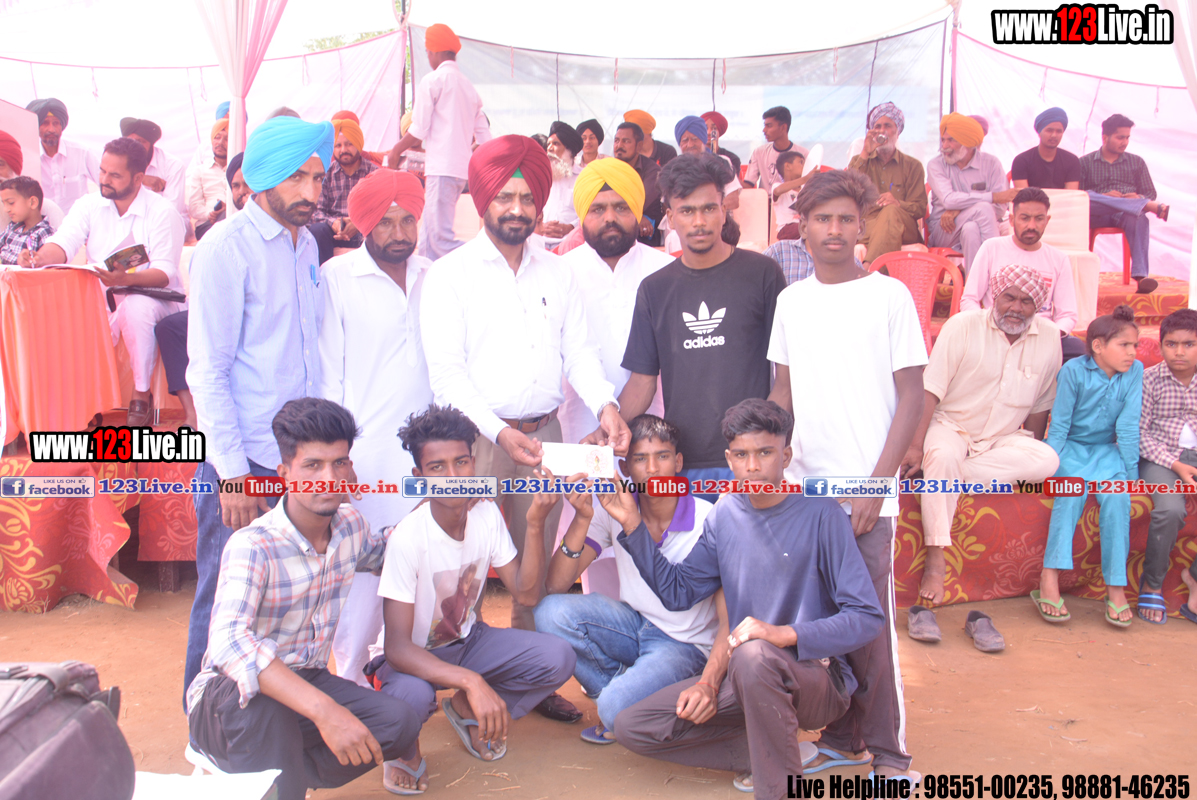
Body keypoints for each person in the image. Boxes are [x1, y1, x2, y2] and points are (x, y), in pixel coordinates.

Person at [418, 137, 629, 726]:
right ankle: (452, 681)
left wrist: (607, 405)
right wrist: (497, 433)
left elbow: (578, 353)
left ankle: (529, 681)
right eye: (505, 197)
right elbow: (446, 374)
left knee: (531, 561)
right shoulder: (450, 274)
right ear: (483, 200)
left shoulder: (558, 271)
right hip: (472, 444)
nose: (517, 208)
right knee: (460, 564)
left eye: (528, 198)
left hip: (543, 438)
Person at [611, 399, 885, 797]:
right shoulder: (724, 516)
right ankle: (770, 748)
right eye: (741, 455)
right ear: (729, 459)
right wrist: (633, 525)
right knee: (634, 725)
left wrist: (784, 634)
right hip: (746, 677)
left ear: (785, 456)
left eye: (765, 453)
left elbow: (866, 617)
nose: (752, 466)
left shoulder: (821, 514)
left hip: (817, 680)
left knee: (754, 653)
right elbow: (678, 592)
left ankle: (778, 787)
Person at [766, 168, 925, 779]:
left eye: (845, 219)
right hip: (805, 493)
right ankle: (842, 735)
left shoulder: (889, 296)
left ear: (862, 227)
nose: (834, 230)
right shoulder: (791, 301)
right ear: (802, 228)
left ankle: (890, 754)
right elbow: (782, 393)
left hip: (866, 495)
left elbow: (911, 397)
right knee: (822, 623)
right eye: (821, 219)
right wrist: (766, 464)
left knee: (871, 628)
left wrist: (876, 487)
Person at [185, 398, 422, 800]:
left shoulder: (350, 527)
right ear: (285, 473)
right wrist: (325, 711)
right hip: (231, 698)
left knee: (399, 722)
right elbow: (228, 643)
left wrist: (442, 501)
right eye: (312, 465)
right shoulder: (253, 544)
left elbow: (387, 551)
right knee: (267, 711)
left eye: (339, 463)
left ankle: (283, 776)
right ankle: (279, 782)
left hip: (306, 681)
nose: (328, 478)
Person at [183, 115, 335, 699]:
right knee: (225, 600)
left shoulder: (306, 244)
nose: (311, 192)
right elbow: (208, 371)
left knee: (285, 598)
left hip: (296, 462)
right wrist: (232, 475)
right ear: (263, 176)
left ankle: (265, 724)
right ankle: (205, 719)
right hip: (243, 460)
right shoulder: (226, 248)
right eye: (297, 177)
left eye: (317, 178)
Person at [370, 404, 576, 789]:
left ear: (475, 465)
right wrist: (472, 680)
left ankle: (466, 709)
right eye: (437, 467)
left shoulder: (486, 515)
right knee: (411, 700)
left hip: (467, 641)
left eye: (461, 462)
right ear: (419, 477)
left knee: (558, 657)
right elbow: (397, 647)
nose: (453, 477)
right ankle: (405, 750)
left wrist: (534, 525)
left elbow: (526, 594)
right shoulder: (408, 537)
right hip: (410, 657)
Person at [536, 414, 719, 743]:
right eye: (640, 459)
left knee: (613, 708)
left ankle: (625, 699)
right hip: (635, 625)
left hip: (685, 645)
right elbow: (556, 585)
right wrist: (582, 517)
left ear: (678, 462)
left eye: (662, 456)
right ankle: (625, 691)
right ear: (625, 467)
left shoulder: (708, 518)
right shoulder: (615, 508)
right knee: (550, 612)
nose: (652, 469)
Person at [319, 168, 434, 688]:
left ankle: (408, 684)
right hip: (364, 458)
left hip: (427, 458)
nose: (399, 232)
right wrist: (337, 459)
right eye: (385, 221)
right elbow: (328, 375)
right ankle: (350, 682)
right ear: (364, 223)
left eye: (408, 219)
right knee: (362, 578)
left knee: (421, 572)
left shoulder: (435, 276)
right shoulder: (337, 278)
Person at [616, 154, 786, 501]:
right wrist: (611, 428)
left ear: (724, 210)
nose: (699, 222)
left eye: (709, 208)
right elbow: (642, 382)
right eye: (687, 211)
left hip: (749, 463)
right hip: (682, 464)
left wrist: (765, 447)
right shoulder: (655, 289)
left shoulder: (762, 274)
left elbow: (787, 377)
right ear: (670, 217)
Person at [901, 266, 1062, 612]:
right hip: (951, 425)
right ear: (994, 297)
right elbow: (931, 390)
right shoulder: (961, 326)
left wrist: (1026, 452)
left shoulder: (1050, 337)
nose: (1016, 308)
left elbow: (1040, 406)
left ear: (1038, 306)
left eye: (1027, 301)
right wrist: (915, 446)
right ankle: (936, 560)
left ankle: (942, 479)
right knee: (943, 455)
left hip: (1002, 438)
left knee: (1047, 459)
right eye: (1009, 298)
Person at [20, 137, 184, 427]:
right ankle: (84, 402)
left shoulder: (162, 211)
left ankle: (141, 394)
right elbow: (64, 242)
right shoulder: (90, 204)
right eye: (102, 171)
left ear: (138, 178)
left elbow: (164, 272)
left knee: (136, 306)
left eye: (114, 175)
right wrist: (38, 257)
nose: (104, 180)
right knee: (62, 310)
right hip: (102, 297)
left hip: (155, 298)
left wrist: (125, 279)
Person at [1036, 306, 1141, 627]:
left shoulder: (1135, 371)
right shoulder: (1073, 371)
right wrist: (1047, 467)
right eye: (1124, 345)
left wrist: (1132, 476)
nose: (1132, 353)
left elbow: (1128, 426)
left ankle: (1116, 587)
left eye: (1135, 345)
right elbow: (1060, 425)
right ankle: (1049, 577)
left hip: (1106, 452)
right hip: (1070, 449)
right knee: (1070, 494)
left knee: (1118, 499)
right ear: (1098, 346)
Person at [558, 158, 672, 448]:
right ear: (582, 216)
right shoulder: (559, 273)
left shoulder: (666, 270)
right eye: (597, 209)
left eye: (621, 207)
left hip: (655, 429)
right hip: (579, 426)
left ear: (636, 212)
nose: (610, 217)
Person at [154, 153, 252, 433]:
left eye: (247, 184)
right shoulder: (221, 230)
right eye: (236, 186)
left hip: (251, 313)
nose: (242, 192)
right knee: (169, 327)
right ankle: (192, 414)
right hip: (218, 309)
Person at [388, 23, 493, 260]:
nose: (428, 58)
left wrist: (396, 150)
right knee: (427, 238)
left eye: (427, 53)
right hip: (460, 172)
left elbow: (419, 130)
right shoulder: (469, 88)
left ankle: (483, 259)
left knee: (438, 238)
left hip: (442, 169)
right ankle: (428, 277)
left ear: (434, 51)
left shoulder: (433, 81)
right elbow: (485, 138)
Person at [961, 188, 1083, 359]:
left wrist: (1051, 335)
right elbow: (969, 299)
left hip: (1039, 335)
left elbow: (1067, 314)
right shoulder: (991, 248)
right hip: (996, 330)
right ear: (1012, 220)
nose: (1031, 226)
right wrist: (987, 328)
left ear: (1047, 220)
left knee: (1079, 350)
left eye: (1039, 219)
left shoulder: (1059, 259)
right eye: (1025, 218)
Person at [1136, 308, 1197, 625]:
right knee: (1170, 510)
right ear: (1161, 346)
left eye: (1189, 344)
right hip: (1160, 457)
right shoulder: (1149, 380)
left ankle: (1194, 577)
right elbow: (1138, 434)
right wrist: (1175, 464)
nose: (1179, 352)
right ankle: (1153, 583)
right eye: (1171, 344)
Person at [1080, 113, 1167, 295]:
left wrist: (1137, 197)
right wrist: (1104, 196)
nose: (1125, 142)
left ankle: (1141, 278)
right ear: (1105, 137)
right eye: (1120, 137)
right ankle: (1142, 206)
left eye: (1127, 137)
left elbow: (1150, 193)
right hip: (1096, 214)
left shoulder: (1136, 162)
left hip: (1125, 215)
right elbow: (1077, 197)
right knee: (1087, 196)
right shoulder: (1085, 163)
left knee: (1138, 217)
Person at [927, 112, 1017, 273]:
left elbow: (999, 209)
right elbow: (948, 200)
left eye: (951, 140)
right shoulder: (936, 164)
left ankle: (972, 283)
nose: (944, 146)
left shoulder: (991, 164)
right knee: (983, 208)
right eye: (943, 140)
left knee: (971, 229)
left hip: (979, 228)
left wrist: (958, 210)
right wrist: (992, 197)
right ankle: (997, 274)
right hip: (945, 229)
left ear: (967, 143)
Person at [848, 102, 927, 264]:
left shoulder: (913, 166)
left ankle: (869, 269)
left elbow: (919, 208)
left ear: (897, 132)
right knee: (875, 225)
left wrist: (897, 203)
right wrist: (865, 152)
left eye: (887, 126)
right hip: (869, 225)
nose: (882, 131)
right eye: (877, 126)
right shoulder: (860, 160)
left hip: (903, 227)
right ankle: (872, 270)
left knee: (890, 211)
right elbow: (848, 191)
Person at [308, 116, 379, 264]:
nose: (344, 150)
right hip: (333, 231)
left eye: (349, 144)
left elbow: (380, 209)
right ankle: (323, 275)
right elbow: (316, 211)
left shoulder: (374, 173)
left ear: (358, 144)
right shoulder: (326, 173)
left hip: (363, 229)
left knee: (377, 231)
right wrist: (334, 223)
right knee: (317, 230)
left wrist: (357, 224)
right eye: (338, 145)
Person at [26, 98, 99, 213]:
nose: (51, 129)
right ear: (36, 126)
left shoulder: (82, 153)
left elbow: (107, 185)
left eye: (56, 123)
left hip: (79, 222)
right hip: (44, 222)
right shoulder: (28, 159)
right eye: (45, 123)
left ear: (62, 125)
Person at [120, 117, 189, 229]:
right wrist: (141, 179)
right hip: (131, 221)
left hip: (168, 223)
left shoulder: (173, 165)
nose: (133, 146)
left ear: (151, 143)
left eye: (139, 141)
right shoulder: (120, 162)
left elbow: (172, 211)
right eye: (129, 141)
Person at [612, 122, 664, 246]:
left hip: (645, 237)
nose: (619, 146)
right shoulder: (609, 168)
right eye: (616, 141)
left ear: (639, 146)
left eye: (626, 141)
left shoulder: (652, 171)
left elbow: (638, 202)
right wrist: (638, 217)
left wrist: (637, 216)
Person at [675, 115, 740, 211]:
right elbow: (668, 203)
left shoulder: (721, 162)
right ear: (680, 144)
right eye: (685, 140)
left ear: (703, 140)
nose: (690, 145)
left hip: (714, 218)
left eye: (695, 139)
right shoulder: (674, 167)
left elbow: (733, 200)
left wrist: (703, 212)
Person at [1011, 107, 1080, 191]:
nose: (1054, 135)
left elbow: (1071, 195)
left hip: (1063, 200)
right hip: (1031, 200)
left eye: (1059, 131)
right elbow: (1024, 195)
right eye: (1049, 130)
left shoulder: (1072, 161)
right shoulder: (1022, 161)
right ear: (1039, 132)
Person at [185, 118, 232, 239]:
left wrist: (230, 210)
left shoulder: (239, 170)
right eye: (217, 137)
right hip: (207, 225)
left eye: (227, 139)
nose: (220, 142)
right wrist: (211, 214)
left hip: (234, 220)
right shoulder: (200, 171)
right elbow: (194, 208)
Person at [539, 120, 584, 240]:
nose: (549, 148)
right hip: (542, 242)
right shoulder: (542, 178)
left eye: (556, 144)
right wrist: (541, 226)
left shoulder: (583, 178)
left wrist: (570, 227)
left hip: (572, 242)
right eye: (548, 144)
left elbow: (591, 213)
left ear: (569, 150)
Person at [744, 106, 801, 197]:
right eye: (764, 126)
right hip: (765, 203)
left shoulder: (802, 154)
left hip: (793, 203)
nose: (764, 130)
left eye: (769, 126)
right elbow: (748, 185)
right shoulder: (759, 152)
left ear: (783, 127)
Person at [0, 176, 53, 264]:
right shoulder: (13, 227)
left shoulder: (44, 233)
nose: (6, 209)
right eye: (4, 204)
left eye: (11, 203)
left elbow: (45, 265)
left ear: (33, 202)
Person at [770, 149, 807, 238]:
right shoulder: (777, 186)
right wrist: (805, 178)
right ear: (788, 166)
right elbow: (777, 191)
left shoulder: (805, 189)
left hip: (804, 226)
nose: (805, 166)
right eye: (801, 162)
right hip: (786, 229)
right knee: (809, 229)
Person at [701, 111, 741, 177]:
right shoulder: (694, 158)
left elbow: (733, 181)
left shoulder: (732, 158)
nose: (709, 132)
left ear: (719, 131)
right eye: (705, 128)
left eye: (714, 128)